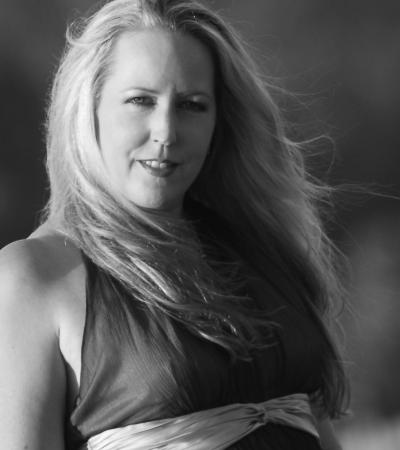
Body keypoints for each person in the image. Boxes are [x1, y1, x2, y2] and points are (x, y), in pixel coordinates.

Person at [0, 0, 349, 448]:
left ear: (220, 122)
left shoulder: (258, 250)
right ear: (89, 109)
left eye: (191, 105)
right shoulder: (33, 276)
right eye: (140, 101)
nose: (166, 131)